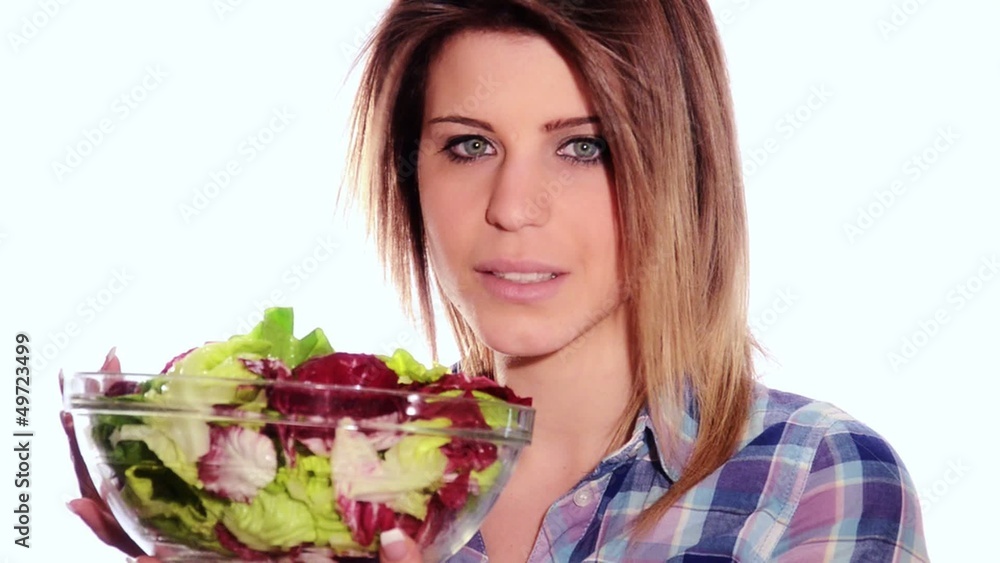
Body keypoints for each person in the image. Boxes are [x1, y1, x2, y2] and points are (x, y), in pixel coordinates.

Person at [63, 1, 930, 561]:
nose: (514, 207)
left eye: (583, 146)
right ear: (409, 174)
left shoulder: (812, 479)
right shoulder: (330, 489)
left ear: (680, 171)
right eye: (469, 145)